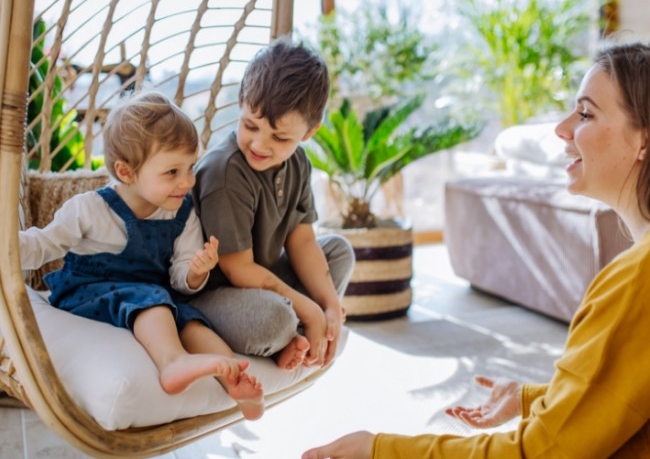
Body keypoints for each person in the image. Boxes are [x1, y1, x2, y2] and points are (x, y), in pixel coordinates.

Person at [302, 41, 650, 458]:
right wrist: (531, 399)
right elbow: (627, 396)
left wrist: (379, 451)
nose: (561, 127)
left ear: (643, 141)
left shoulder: (634, 280)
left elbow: (539, 452)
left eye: (586, 113)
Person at [19, 91, 264, 421]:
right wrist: (10, 247)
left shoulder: (182, 213)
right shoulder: (91, 209)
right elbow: (43, 245)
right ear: (125, 172)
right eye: (172, 172)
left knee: (188, 319)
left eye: (190, 167)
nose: (187, 181)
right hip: (87, 294)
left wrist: (195, 272)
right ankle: (172, 363)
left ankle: (235, 380)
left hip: (153, 300)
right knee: (153, 300)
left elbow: (179, 276)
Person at [189, 37, 355, 371]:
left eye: (280, 138)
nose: (259, 144)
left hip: (265, 281)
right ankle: (290, 332)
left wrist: (330, 305)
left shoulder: (298, 163)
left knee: (338, 251)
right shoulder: (225, 171)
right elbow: (238, 270)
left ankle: (298, 335)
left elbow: (302, 240)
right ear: (241, 104)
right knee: (274, 320)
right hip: (216, 293)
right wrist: (309, 309)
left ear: (309, 133)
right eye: (250, 125)